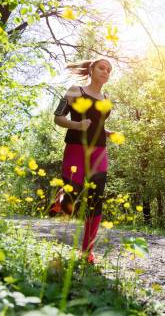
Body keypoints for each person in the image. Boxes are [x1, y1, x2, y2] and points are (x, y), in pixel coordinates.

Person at [51, 58, 113, 264]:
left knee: (96, 199)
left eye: (109, 70)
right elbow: (58, 118)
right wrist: (77, 125)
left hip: (99, 151)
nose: (106, 71)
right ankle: (62, 196)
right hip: (76, 148)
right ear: (91, 69)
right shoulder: (75, 90)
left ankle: (88, 251)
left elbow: (96, 124)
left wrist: (107, 132)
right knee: (72, 198)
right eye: (102, 67)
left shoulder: (106, 98)